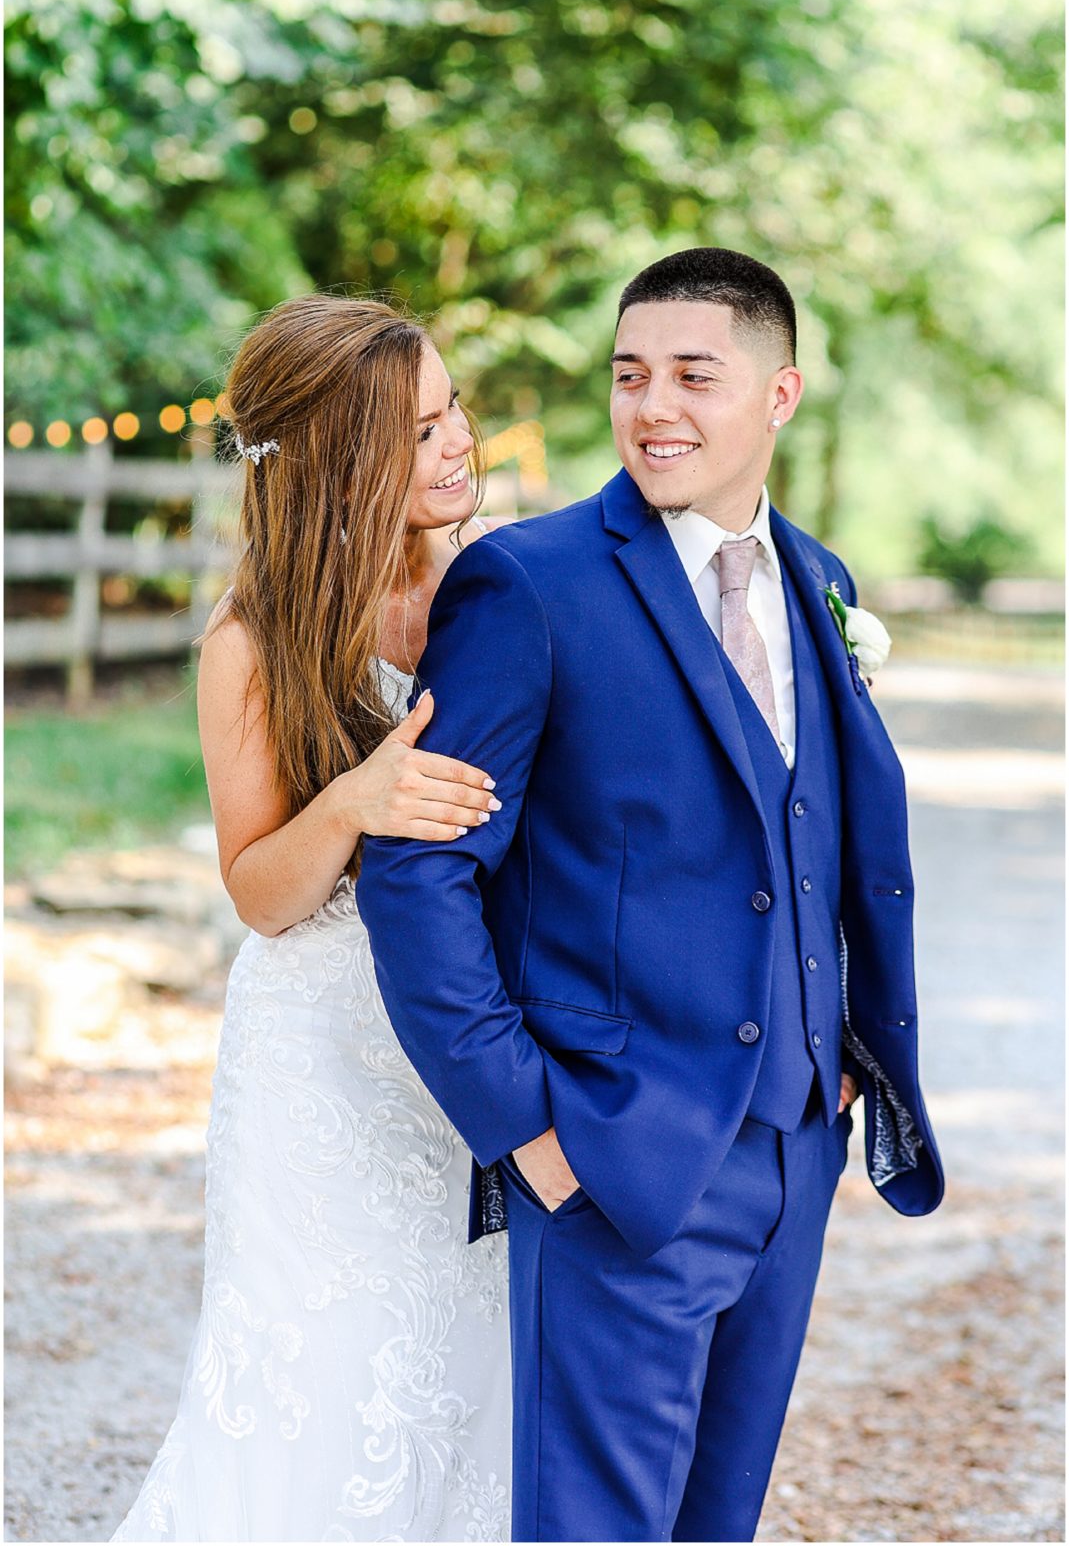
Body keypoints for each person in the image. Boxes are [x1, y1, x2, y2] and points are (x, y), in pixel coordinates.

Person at [358, 248, 945, 1543]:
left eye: (694, 375)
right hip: (613, 1155)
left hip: (794, 1148)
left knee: (714, 1524)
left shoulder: (820, 582)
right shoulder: (530, 585)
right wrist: (526, 1127)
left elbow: (811, 837)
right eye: (629, 376)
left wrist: (838, 1068)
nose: (652, 407)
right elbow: (415, 871)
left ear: (780, 396)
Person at [112, 295, 513, 1543]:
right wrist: (354, 796)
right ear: (338, 458)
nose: (458, 445)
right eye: (421, 429)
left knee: (467, 1356)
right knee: (315, 1363)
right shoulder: (251, 639)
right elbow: (261, 892)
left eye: (454, 413)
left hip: (464, 1031)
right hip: (317, 1061)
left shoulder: (502, 587)